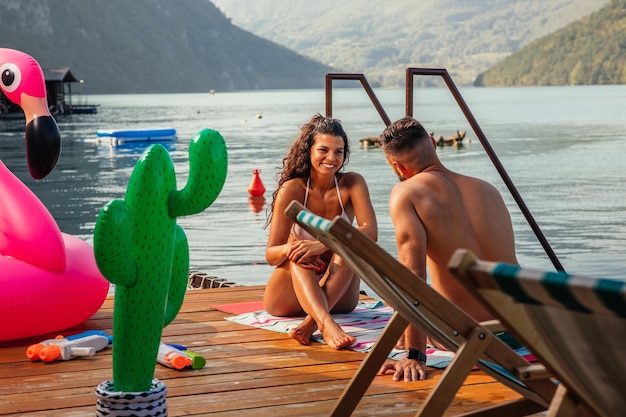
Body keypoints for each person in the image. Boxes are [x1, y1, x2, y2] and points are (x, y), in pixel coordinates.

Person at [377, 116, 518, 381]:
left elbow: (412, 275)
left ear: (396, 166)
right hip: (521, 329)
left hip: (471, 334)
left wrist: (415, 354)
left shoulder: (406, 193)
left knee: (402, 305)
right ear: (432, 142)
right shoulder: (488, 190)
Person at [263, 114, 378, 350]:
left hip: (341, 296)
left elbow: (370, 233)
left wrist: (324, 244)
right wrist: (293, 248)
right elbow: (272, 255)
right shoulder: (293, 189)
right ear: (309, 151)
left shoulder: (352, 184)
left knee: (349, 245)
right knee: (297, 252)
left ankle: (312, 323)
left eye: (339, 151)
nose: (331, 158)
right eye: (323, 150)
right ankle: (325, 324)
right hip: (289, 297)